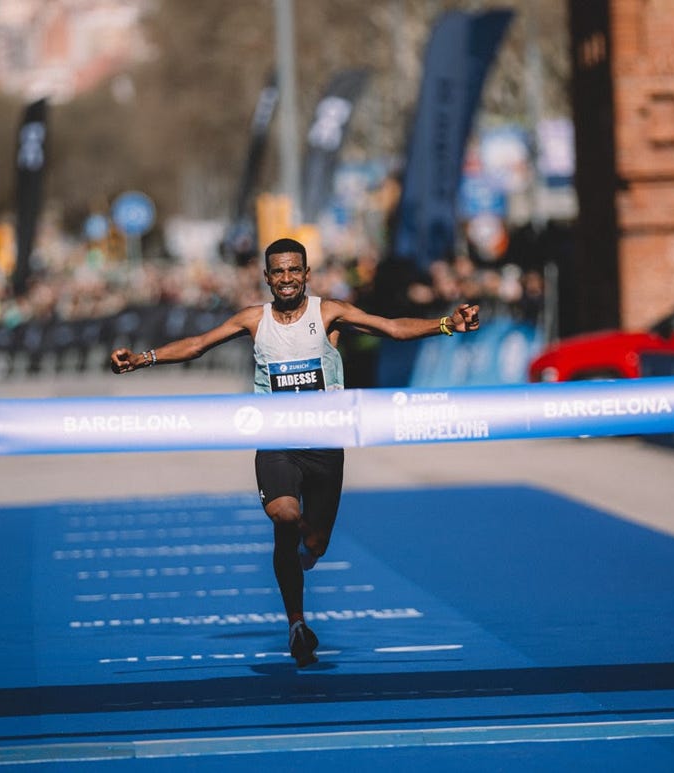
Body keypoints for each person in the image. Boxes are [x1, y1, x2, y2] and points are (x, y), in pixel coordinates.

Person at [111, 238, 480, 667]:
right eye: (278, 272)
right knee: (284, 516)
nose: (286, 279)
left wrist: (448, 324)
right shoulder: (254, 319)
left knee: (314, 544)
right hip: (277, 441)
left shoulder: (330, 313)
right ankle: (297, 624)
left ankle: (308, 548)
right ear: (267, 277)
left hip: (324, 444)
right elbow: (198, 344)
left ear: (306, 274)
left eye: (294, 271)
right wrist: (143, 358)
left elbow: (392, 328)